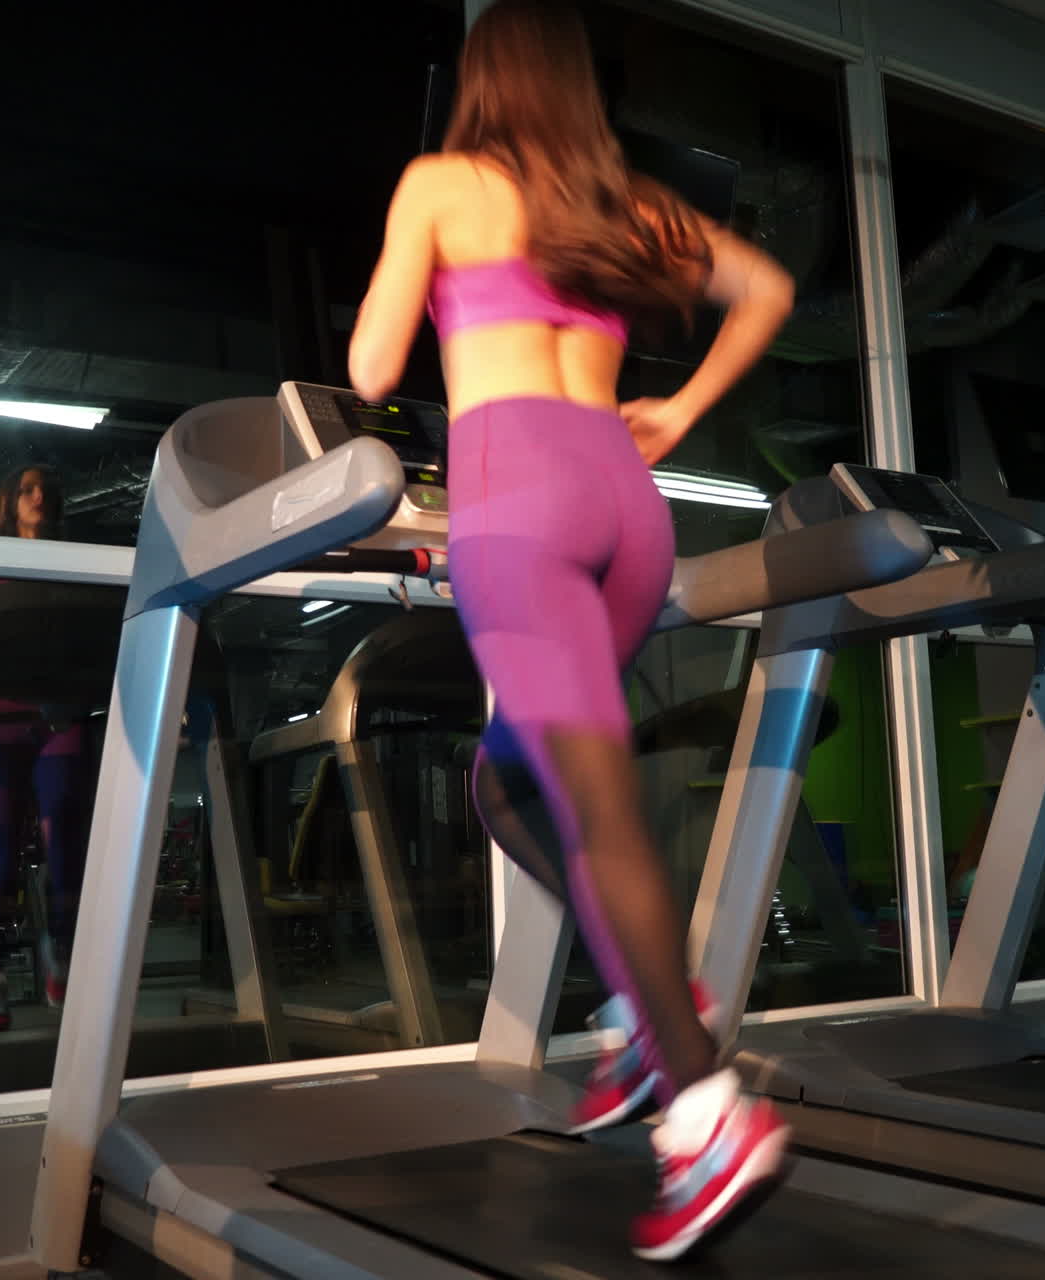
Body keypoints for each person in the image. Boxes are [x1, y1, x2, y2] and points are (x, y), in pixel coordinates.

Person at [348, 0, 795, 1261]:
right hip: (623, 502)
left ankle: (706, 1105)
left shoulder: (441, 179)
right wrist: (679, 409)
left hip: (520, 506)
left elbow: (374, 365)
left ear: (482, 83)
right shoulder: (625, 205)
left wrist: (415, 271)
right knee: (508, 785)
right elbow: (766, 286)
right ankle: (648, 1003)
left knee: (592, 810)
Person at [0, 464, 92, 1033]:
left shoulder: (75, 566)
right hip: (0, 726)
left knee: (63, 845)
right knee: (1, 858)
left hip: (58, 720)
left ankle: (58, 953)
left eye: (47, 488)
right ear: (10, 502)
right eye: (27, 488)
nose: (39, 495)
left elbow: (89, 645)